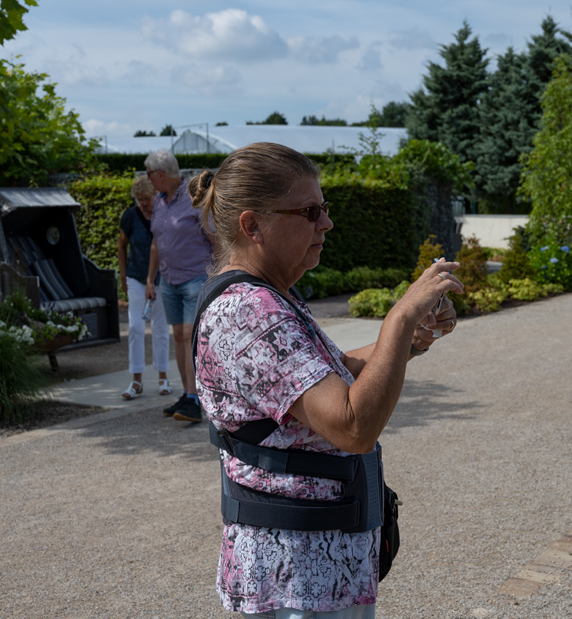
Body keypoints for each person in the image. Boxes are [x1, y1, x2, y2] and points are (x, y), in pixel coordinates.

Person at [189, 142, 462, 617]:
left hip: (315, 571)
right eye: (309, 211)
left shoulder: (271, 296)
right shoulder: (249, 312)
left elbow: (329, 374)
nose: (327, 223)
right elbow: (352, 425)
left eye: (325, 207)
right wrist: (399, 319)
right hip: (296, 577)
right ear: (252, 225)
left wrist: (408, 341)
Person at [145, 149, 215, 422]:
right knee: (179, 337)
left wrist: (221, 274)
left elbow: (214, 237)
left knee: (188, 336)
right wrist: (150, 279)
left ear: (161, 174)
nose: (148, 179)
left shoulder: (194, 197)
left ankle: (195, 398)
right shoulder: (159, 202)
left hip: (196, 278)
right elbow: (156, 243)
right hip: (169, 281)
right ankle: (188, 395)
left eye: (149, 174)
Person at [117, 175, 171, 400]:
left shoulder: (165, 214)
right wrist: (123, 277)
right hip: (136, 278)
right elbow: (121, 247)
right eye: (139, 199)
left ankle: (163, 377)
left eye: (146, 198)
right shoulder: (130, 216)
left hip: (163, 279)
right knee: (136, 328)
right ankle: (136, 380)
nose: (143, 203)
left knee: (161, 329)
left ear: (155, 195)